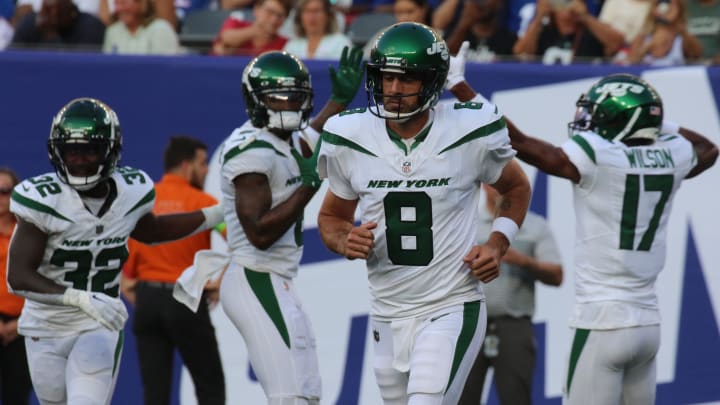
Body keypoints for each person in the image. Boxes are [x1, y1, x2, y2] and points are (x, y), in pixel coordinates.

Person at [316, 22, 532, 404]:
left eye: (407, 79)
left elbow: (515, 187)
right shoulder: (348, 135)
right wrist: (343, 238)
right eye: (387, 77)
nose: (394, 89)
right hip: (387, 312)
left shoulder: (469, 129)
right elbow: (331, 218)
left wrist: (498, 244)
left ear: (432, 81)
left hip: (451, 304)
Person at [500, 73, 718, 404]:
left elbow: (524, 145)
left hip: (601, 321)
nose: (588, 121)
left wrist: (467, 95)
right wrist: (655, 123)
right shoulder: (671, 155)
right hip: (647, 325)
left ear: (622, 119)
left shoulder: (600, 154)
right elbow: (708, 148)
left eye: (599, 114)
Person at [6, 97, 224, 405]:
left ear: (111, 151)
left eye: (90, 151)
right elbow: (18, 276)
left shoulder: (130, 191)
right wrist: (79, 297)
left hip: (98, 324)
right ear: (57, 151)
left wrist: (217, 214)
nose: (80, 160)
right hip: (45, 325)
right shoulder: (44, 199)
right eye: (72, 151)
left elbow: (154, 230)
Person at [216, 47, 365, 404]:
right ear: (255, 100)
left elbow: (309, 139)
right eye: (277, 99)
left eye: (293, 98)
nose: (287, 107)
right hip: (255, 275)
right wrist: (308, 188)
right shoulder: (249, 152)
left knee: (308, 394)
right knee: (289, 396)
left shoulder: (285, 137)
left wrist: (339, 100)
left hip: (279, 278)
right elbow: (261, 233)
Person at [121, 136, 225, 405]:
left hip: (148, 302)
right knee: (210, 388)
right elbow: (242, 243)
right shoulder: (204, 202)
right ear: (185, 165)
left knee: (155, 395)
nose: (207, 170)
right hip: (186, 301)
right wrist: (221, 282)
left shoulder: (145, 201)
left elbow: (126, 259)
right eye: (202, 163)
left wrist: (133, 288)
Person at [459, 184, 563, 405]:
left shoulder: (535, 226)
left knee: (516, 398)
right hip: (469, 322)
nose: (502, 189)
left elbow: (557, 275)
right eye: (497, 183)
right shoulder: (466, 224)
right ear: (485, 185)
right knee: (462, 398)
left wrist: (525, 262)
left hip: (514, 325)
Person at [0, 167, 33, 405]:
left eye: (4, 191)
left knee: (17, 397)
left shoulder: (30, 232)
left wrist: (19, 324)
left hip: (22, 326)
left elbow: (42, 278)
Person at [512, 0, 625, 64]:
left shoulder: (592, 31)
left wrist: (586, 17)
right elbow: (520, 53)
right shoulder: (544, 31)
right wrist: (539, 17)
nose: (566, 6)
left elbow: (617, 43)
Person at [10, 0, 106, 50]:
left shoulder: (90, 27)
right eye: (47, 10)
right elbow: (10, 60)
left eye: (57, 11)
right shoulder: (31, 22)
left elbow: (75, 70)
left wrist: (51, 35)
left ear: (71, 10)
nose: (52, 16)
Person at [211, 0, 292, 56]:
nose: (274, 20)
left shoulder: (285, 43)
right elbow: (226, 38)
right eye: (270, 12)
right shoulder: (235, 23)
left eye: (280, 16)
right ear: (256, 9)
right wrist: (257, 30)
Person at [102, 0, 181, 55]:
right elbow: (108, 67)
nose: (119, 8)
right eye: (116, 3)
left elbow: (164, 69)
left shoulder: (161, 29)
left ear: (141, 3)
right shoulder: (112, 31)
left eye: (123, 3)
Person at [282, 0, 352, 59]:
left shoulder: (341, 43)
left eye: (317, 11)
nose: (312, 17)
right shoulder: (291, 45)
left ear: (327, 15)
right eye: (307, 11)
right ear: (300, 17)